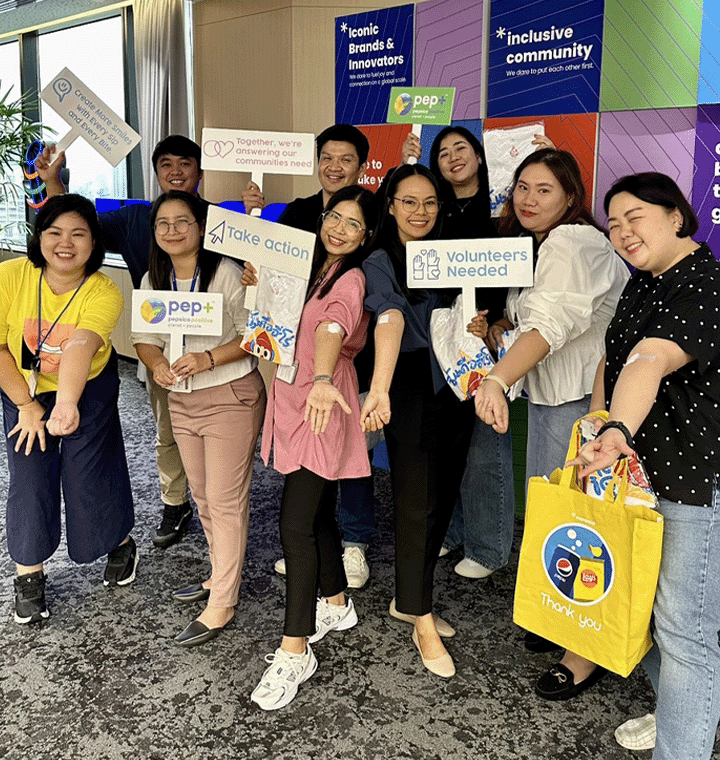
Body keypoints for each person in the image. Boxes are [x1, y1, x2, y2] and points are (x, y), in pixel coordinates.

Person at [568, 173, 720, 759]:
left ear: (677, 216)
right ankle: (687, 712)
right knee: (636, 610)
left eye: (635, 216)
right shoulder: (643, 284)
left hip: (688, 481)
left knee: (685, 634)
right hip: (633, 479)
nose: (623, 232)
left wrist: (614, 431)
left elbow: (649, 360)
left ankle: (684, 742)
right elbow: (614, 359)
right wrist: (596, 425)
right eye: (613, 224)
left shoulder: (705, 285)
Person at [472, 148, 629, 697]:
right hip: (557, 398)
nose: (530, 198)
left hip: (588, 406)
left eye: (544, 189)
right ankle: (565, 620)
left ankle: (582, 652)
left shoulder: (572, 240)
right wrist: (497, 327)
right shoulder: (543, 246)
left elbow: (555, 323)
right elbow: (534, 319)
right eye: (522, 187)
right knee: (558, 514)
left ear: (570, 197)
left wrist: (495, 379)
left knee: (580, 520)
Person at [35, 135, 205, 550]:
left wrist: (253, 209)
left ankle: (218, 505)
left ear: (199, 172)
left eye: (185, 163)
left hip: (214, 344)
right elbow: (77, 227)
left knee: (218, 432)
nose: (176, 172)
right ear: (157, 172)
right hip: (158, 343)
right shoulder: (134, 219)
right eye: (167, 164)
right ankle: (174, 502)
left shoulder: (217, 218)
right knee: (169, 428)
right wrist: (53, 182)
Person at [250, 186, 377, 710]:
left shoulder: (351, 277)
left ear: (368, 235)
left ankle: (295, 647)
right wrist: (261, 290)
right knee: (317, 511)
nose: (339, 228)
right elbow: (287, 325)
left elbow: (333, 324)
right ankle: (336, 600)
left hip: (321, 403)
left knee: (295, 525)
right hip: (294, 398)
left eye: (353, 224)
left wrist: (323, 374)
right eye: (334, 216)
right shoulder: (311, 267)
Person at [360, 163, 481, 678]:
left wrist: (481, 319)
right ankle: (420, 612)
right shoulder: (379, 259)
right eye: (408, 201)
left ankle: (410, 597)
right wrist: (380, 388)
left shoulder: (452, 252)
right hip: (408, 383)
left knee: (444, 492)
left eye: (430, 202)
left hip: (455, 382)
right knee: (415, 500)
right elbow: (388, 315)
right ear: (390, 205)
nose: (420, 212)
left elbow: (469, 311)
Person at [243, 123, 376, 588]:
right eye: (327, 158)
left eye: (346, 159)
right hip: (294, 370)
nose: (335, 166)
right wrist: (257, 265)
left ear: (361, 166)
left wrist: (324, 376)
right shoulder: (300, 213)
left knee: (343, 461)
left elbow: (335, 321)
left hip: (336, 370)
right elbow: (277, 278)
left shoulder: (357, 267)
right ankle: (331, 586)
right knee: (312, 492)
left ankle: (353, 545)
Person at [132, 191, 265, 647]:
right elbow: (145, 338)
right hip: (181, 401)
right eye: (163, 223)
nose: (172, 230)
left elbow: (255, 335)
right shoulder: (156, 277)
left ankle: (223, 601)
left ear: (201, 227)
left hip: (229, 395)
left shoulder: (226, 273)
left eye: (182, 221)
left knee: (226, 502)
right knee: (204, 498)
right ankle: (218, 576)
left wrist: (207, 358)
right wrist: (156, 365)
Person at [0, 194, 137, 624]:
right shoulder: (10, 276)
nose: (65, 243)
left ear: (94, 242)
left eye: (79, 234)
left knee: (87, 472)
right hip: (21, 384)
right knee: (29, 474)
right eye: (54, 232)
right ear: (39, 236)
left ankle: (118, 542)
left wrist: (64, 403)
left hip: (89, 386)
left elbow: (81, 343)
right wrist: (26, 403)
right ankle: (29, 574)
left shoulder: (102, 289)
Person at [402, 125, 514, 579]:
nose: (452, 157)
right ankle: (453, 530)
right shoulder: (436, 209)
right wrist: (408, 167)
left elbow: (520, 267)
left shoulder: (504, 205)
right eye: (442, 152)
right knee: (450, 443)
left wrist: (499, 323)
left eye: (460, 148)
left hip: (492, 335)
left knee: (487, 447)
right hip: (446, 336)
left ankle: (488, 549)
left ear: (481, 156)